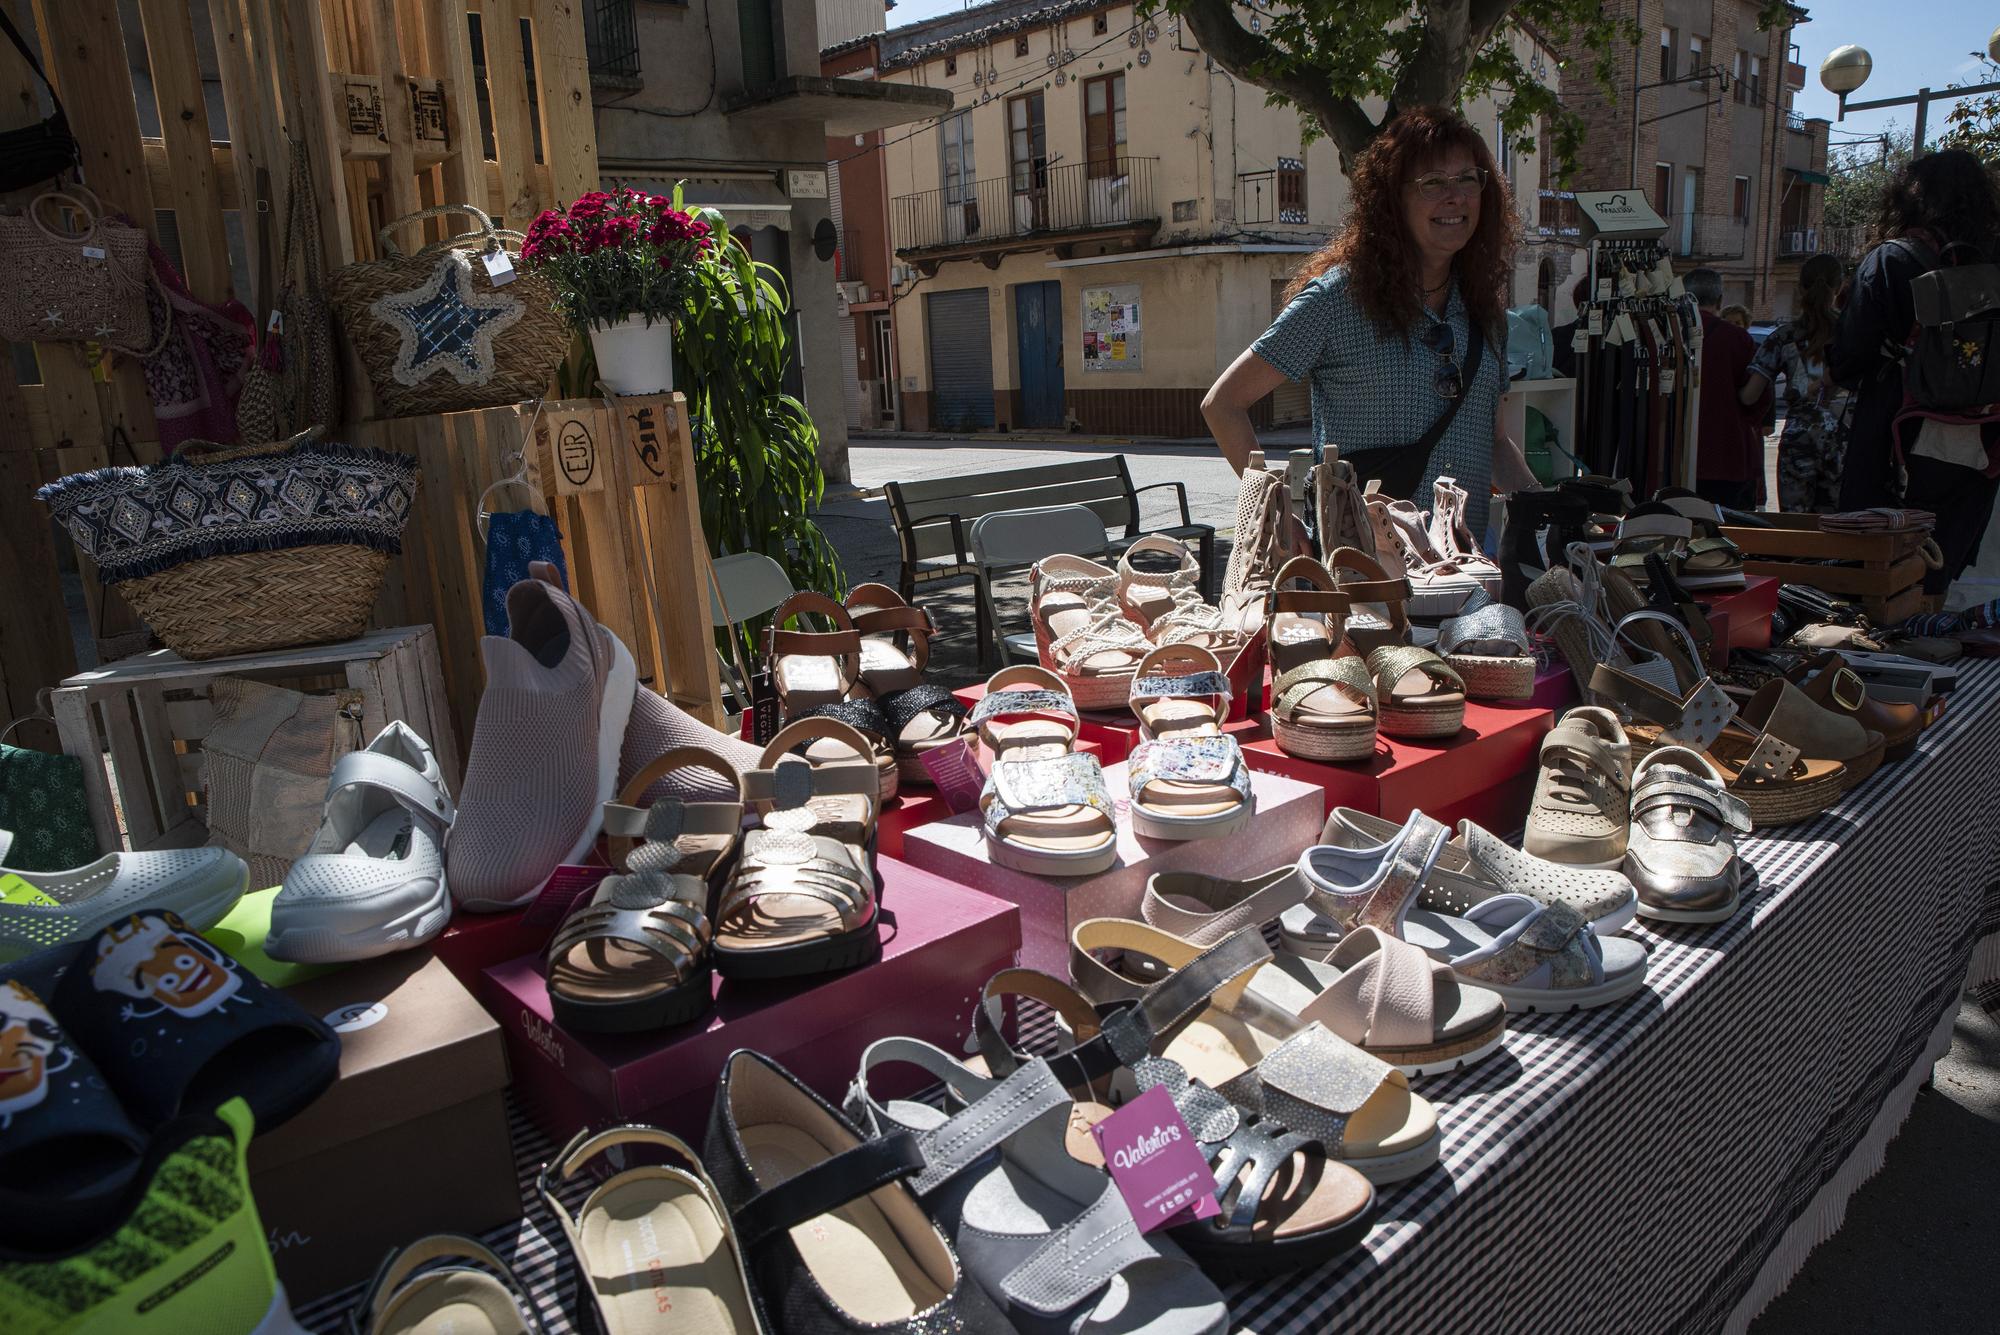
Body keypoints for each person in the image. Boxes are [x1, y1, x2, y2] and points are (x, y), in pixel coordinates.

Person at [1202, 105, 1536, 538]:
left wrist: (1545, 504)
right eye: (1432, 182)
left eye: (1467, 179)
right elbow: (1223, 405)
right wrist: (1278, 516)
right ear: (1393, 199)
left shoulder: (1485, 312)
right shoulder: (1337, 299)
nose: (1455, 197)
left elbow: (1492, 442)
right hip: (1362, 579)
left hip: (1463, 573)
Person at [1829, 148, 2000, 591]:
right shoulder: (1993, 261)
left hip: (1895, 434)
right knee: (1940, 567)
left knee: (1877, 573)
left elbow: (1849, 358)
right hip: (1982, 440)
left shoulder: (1893, 259)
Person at [1741, 253, 1847, 512]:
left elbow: (1749, 396)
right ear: (1840, 287)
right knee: (1840, 525)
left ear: (1800, 288)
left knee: (1796, 526)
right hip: (1844, 437)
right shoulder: (1851, 332)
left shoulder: (1783, 337)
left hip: (1799, 438)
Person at [1688, 267, 1766, 509]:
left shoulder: (1670, 335)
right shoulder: (1740, 339)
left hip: (1679, 459)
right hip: (1730, 457)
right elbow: (1758, 401)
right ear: (1720, 300)